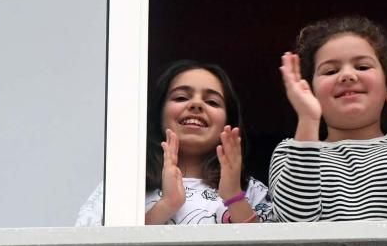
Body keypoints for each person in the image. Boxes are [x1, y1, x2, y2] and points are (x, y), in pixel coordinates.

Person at [270, 16, 387, 221]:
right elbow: (295, 218)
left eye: (362, 67)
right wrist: (308, 119)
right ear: (310, 91)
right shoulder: (291, 151)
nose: (347, 76)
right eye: (330, 71)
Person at [75, 59, 273, 225]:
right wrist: (167, 204)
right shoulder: (124, 185)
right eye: (181, 97)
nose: (196, 104)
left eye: (212, 102)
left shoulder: (250, 190)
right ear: (158, 114)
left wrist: (233, 196)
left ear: (228, 123)